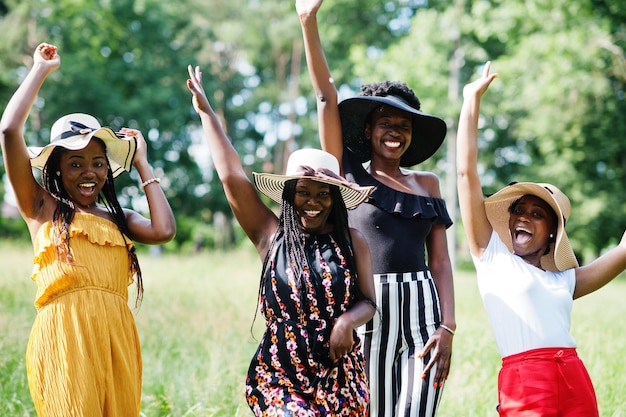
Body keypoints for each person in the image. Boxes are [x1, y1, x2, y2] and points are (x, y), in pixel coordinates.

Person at [186, 64, 378, 416]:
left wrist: (346, 322)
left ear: (335, 198)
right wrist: (207, 114)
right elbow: (231, 176)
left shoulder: (353, 242)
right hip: (281, 374)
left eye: (324, 194)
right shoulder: (271, 236)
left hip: (340, 374)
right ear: (289, 195)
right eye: (304, 192)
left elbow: (368, 301)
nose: (313, 202)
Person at [296, 1, 456, 416]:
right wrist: (307, 21)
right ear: (368, 129)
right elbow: (324, 95)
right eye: (386, 122)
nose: (395, 133)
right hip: (368, 307)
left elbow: (439, 262)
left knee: (416, 409)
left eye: (404, 126)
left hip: (423, 312)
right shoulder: (347, 174)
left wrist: (448, 326)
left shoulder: (428, 184)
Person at [0, 43, 176, 417]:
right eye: (76, 163)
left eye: (98, 163)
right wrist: (39, 70)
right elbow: (8, 129)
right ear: (58, 169)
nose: (89, 172)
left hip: (117, 338)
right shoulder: (42, 207)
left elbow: (164, 231)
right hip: (65, 336)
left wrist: (142, 163)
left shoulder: (119, 217)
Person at [456, 61, 626, 416]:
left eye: (536, 213)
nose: (522, 217)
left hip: (574, 376)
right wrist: (470, 103)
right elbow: (465, 174)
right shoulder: (492, 257)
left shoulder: (564, 279)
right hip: (526, 381)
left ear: (553, 231)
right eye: (519, 210)